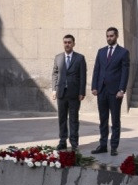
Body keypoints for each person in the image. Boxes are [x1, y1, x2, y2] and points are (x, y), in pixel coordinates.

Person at [91, 27, 130, 156]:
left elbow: (125, 72)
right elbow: (97, 69)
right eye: (107, 36)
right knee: (103, 120)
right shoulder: (101, 52)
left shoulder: (123, 52)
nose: (109, 38)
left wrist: (122, 89)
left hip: (115, 92)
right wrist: (94, 87)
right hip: (101, 91)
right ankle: (102, 145)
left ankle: (114, 146)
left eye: (111, 36)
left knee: (115, 120)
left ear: (117, 36)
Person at [52, 34, 87, 151]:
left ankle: (74, 142)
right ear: (63, 43)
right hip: (61, 93)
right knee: (62, 118)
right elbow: (55, 74)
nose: (67, 44)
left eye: (69, 42)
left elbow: (83, 76)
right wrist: (54, 89)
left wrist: (82, 92)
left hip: (74, 94)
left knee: (73, 119)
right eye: (65, 42)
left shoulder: (80, 58)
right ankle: (62, 141)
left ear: (73, 44)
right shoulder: (58, 58)